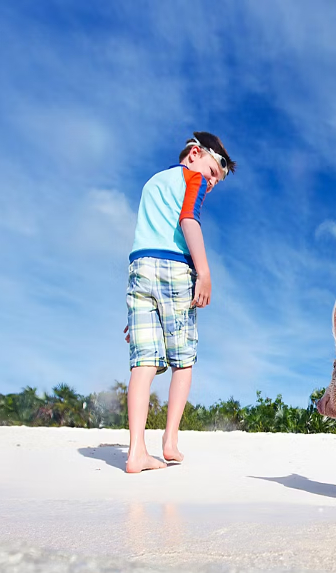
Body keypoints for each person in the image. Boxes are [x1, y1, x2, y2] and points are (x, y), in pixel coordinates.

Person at [123, 132, 235, 472]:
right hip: (174, 268)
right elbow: (188, 220)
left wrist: (137, 311)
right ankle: (170, 440)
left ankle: (135, 452)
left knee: (142, 363)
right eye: (214, 171)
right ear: (195, 153)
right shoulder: (192, 178)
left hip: (139, 268)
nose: (212, 182)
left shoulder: (152, 183)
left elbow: (148, 231)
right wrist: (204, 272)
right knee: (183, 361)